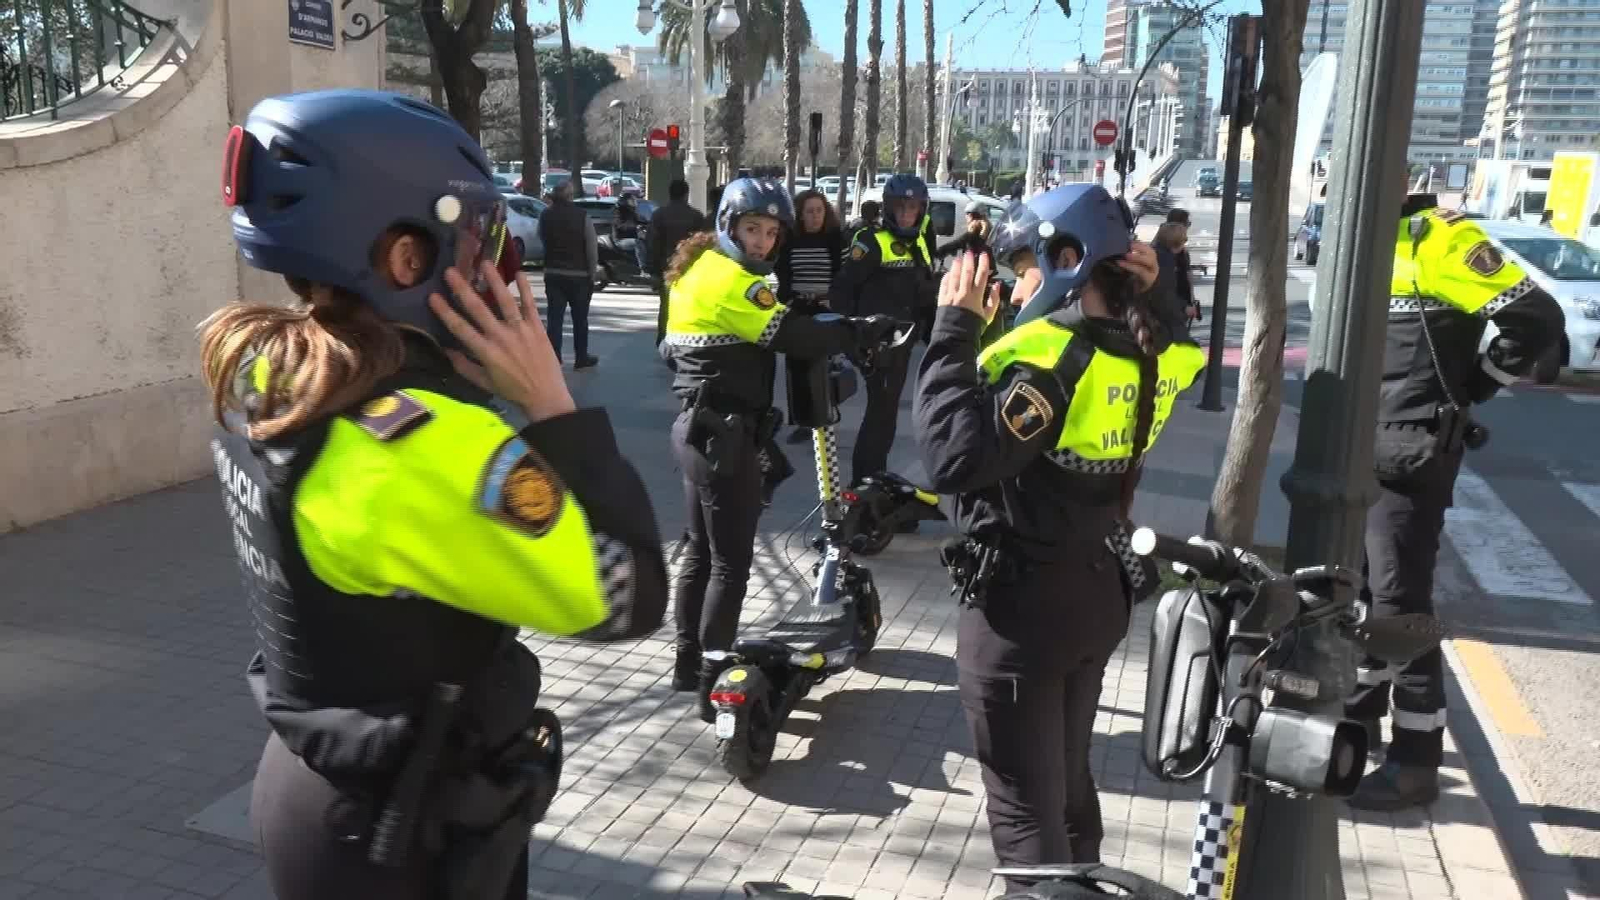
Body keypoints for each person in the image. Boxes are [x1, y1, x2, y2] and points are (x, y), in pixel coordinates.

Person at [205, 89, 668, 900]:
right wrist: (554, 406)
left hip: (318, 790)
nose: (494, 264)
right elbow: (626, 596)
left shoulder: (275, 377)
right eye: (477, 238)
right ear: (406, 259)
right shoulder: (428, 447)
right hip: (404, 830)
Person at [913, 184, 1204, 893]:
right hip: (1095, 593)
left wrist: (951, 330)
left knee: (1023, 809)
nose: (1015, 294)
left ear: (1069, 259)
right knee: (1068, 782)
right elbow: (1175, 337)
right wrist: (1159, 294)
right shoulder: (1148, 352)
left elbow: (953, 460)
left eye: (1024, 273)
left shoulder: (1051, 358)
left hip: (1022, 610)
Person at [1345, 176, 1564, 811]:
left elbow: (1538, 318)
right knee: (1361, 595)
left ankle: (1415, 760)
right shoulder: (1361, 242)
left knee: (1398, 601)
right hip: (1360, 442)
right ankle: (1357, 725)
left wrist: (1477, 383)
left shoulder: (1441, 240)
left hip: (1412, 448)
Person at [660, 177, 900, 720]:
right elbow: (792, 336)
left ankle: (687, 662)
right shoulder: (732, 280)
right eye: (752, 229)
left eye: (771, 232)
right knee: (731, 566)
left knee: (699, 552)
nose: (763, 242)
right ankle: (712, 680)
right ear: (726, 224)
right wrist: (860, 331)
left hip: (695, 430)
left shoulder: (696, 271)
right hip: (725, 435)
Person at [829, 173, 939, 487]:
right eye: (900, 207)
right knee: (881, 413)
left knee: (887, 414)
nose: (907, 213)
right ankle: (864, 485)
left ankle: (873, 481)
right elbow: (842, 289)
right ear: (888, 208)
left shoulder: (919, 240)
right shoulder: (870, 240)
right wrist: (850, 335)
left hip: (903, 342)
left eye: (913, 207)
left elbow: (923, 290)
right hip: (875, 342)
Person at [776, 189, 846, 442]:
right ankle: (802, 421)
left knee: (824, 368)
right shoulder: (789, 240)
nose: (815, 216)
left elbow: (843, 275)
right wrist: (789, 300)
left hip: (826, 310)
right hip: (798, 309)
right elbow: (783, 275)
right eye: (810, 212)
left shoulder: (836, 238)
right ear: (800, 215)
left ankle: (825, 418)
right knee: (797, 367)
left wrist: (834, 301)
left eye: (819, 211)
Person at [538, 178, 600, 370]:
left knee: (554, 318)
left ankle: (554, 357)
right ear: (570, 196)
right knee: (580, 319)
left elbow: (541, 238)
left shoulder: (545, 215)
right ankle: (581, 357)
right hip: (579, 275)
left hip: (554, 273)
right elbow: (591, 247)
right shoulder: (582, 216)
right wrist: (592, 273)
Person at [648, 178, 710, 348]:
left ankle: (663, 338)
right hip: (690, 267)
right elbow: (703, 244)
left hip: (666, 266)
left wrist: (652, 269)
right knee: (688, 303)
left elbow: (652, 242)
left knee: (666, 304)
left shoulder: (659, 215)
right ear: (686, 194)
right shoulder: (696, 216)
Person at [1155, 209, 1199, 327]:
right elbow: (1163, 290)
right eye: (1187, 224)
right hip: (1172, 311)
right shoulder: (1166, 258)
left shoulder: (1164, 248)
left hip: (1178, 305)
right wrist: (1184, 307)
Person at [613, 193, 648, 272]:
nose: (634, 202)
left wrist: (650, 224)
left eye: (634, 200)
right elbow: (620, 225)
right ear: (625, 202)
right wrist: (635, 227)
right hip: (620, 240)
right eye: (631, 200)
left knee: (647, 241)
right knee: (637, 243)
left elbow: (641, 221)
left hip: (631, 238)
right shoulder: (619, 213)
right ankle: (643, 270)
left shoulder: (632, 213)